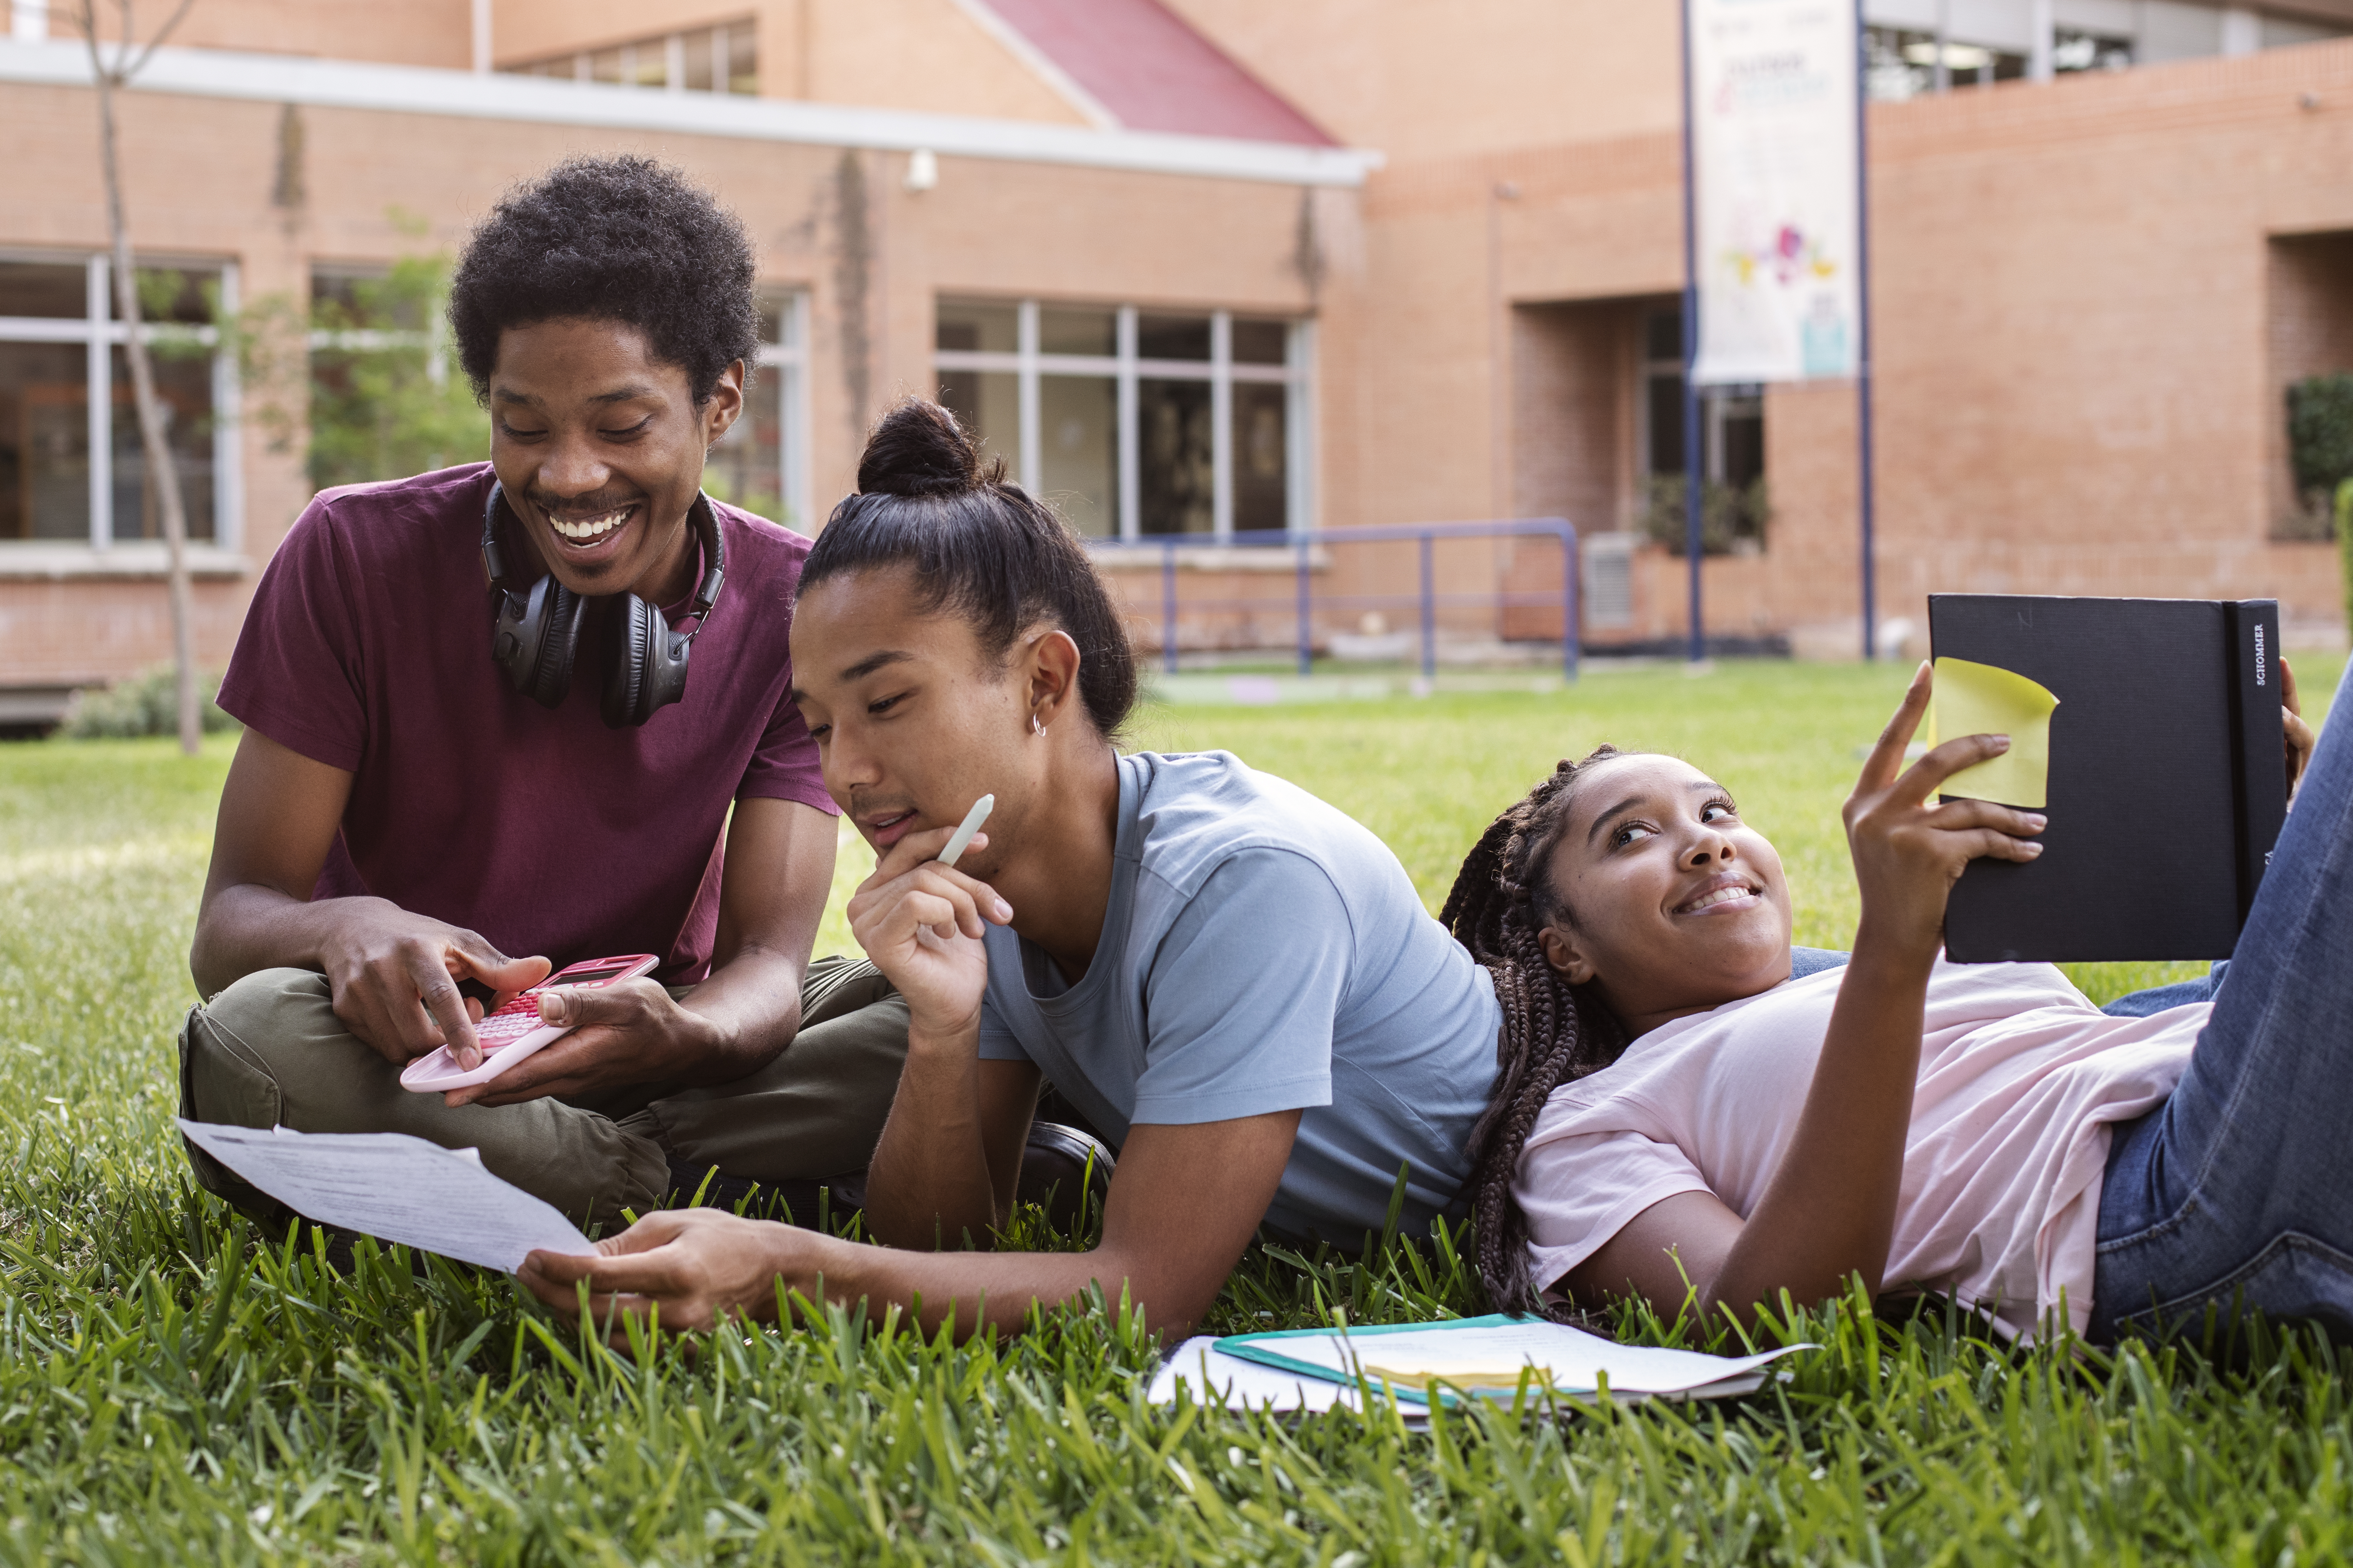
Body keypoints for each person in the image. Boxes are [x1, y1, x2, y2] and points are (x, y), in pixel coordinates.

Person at [520, 400, 1503, 1340]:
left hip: (1523, 1206)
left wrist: (785, 1270)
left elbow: (1147, 1296)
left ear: (1043, 681)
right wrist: (944, 1030)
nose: (844, 772)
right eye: (820, 726)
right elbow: (939, 1244)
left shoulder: (1244, 882)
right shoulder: (989, 883)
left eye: (889, 703)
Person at [179, 156, 909, 1229]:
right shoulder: (350, 552)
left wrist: (689, 1033)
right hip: (433, 1055)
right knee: (250, 1039)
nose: (568, 476)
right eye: (525, 426)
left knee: (957, 990)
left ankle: (558, 1174)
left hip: (662, 1039)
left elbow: (764, 963)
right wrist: (348, 928)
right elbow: (230, 924)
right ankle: (692, 1186)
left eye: (621, 428)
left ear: (721, 404)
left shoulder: (799, 603)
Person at [1443, 655, 2331, 1342]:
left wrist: (2283, 847)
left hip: (2211, 1089)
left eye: (1717, 812)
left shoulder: (1866, 966)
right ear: (1565, 949)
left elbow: (2142, 1041)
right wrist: (1892, 953)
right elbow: (1762, 1317)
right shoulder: (1588, 1124)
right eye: (1631, 834)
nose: (1707, 845)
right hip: (2153, 1206)